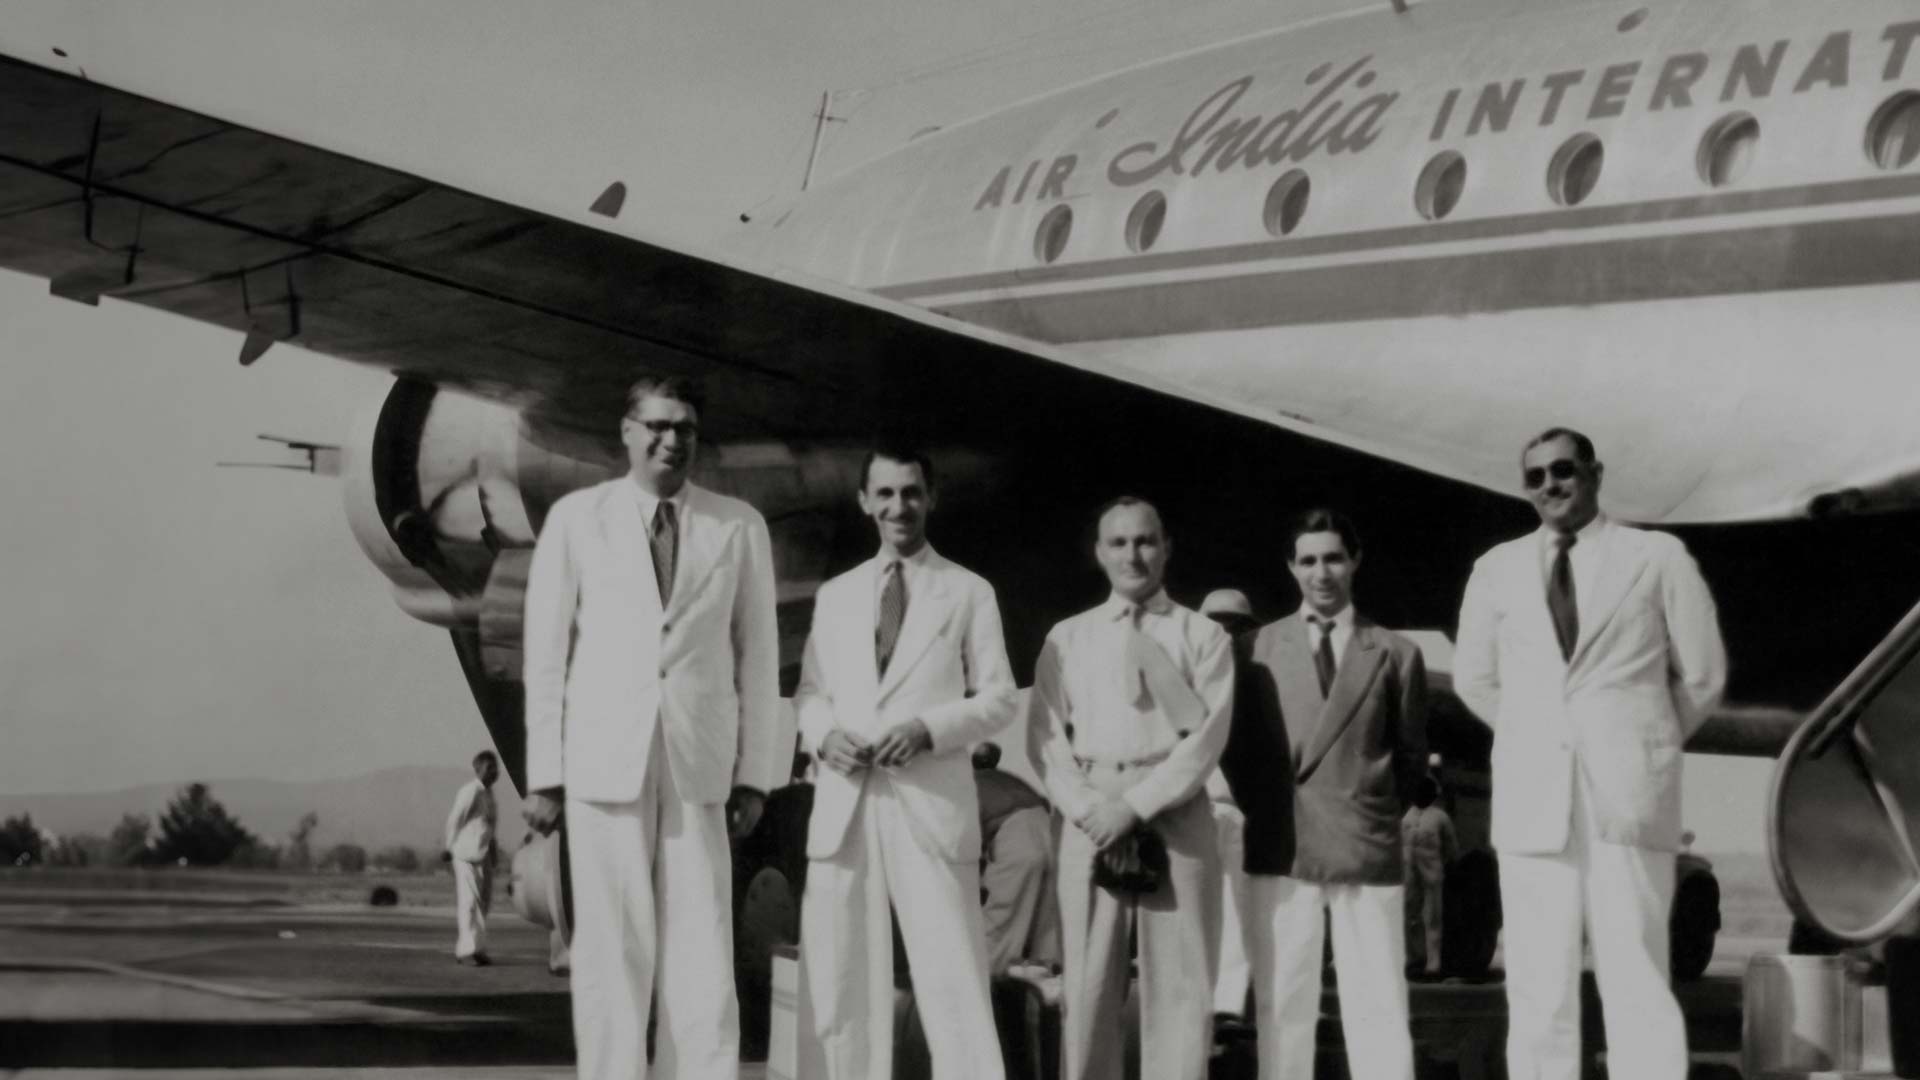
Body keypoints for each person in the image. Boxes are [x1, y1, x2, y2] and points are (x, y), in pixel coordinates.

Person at [522, 374, 786, 1080]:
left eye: (687, 430)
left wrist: (755, 774)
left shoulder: (739, 526)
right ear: (628, 432)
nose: (673, 442)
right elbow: (544, 654)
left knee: (702, 948)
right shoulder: (578, 519)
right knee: (611, 953)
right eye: (659, 427)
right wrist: (544, 772)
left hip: (698, 761)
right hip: (603, 762)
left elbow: (758, 659)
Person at [1455, 427, 1727, 1080]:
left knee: (1637, 978)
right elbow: (1474, 679)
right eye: (1535, 476)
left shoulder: (1657, 557)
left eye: (1563, 469)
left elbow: (1704, 676)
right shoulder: (1496, 569)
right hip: (1533, 805)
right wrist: (1539, 740)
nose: (1550, 484)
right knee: (1537, 987)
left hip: (1626, 801)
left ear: (1595, 473)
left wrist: (1645, 744)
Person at [795, 443, 1018, 1080]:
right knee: (841, 987)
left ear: (932, 498)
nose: (900, 507)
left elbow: (999, 697)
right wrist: (824, 734)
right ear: (865, 501)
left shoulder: (968, 591)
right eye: (886, 494)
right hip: (845, 805)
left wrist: (929, 729)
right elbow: (811, 691)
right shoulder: (835, 596)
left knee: (953, 983)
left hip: (930, 806)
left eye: (912, 493)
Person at [1027, 496, 1234, 1080]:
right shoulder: (1068, 638)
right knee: (1088, 991)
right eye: (1118, 542)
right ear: (1099, 552)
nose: (1133, 554)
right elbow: (1043, 739)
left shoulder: (1204, 636)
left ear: (1166, 547)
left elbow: (1206, 737)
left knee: (1181, 989)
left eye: (1145, 541)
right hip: (1090, 813)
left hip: (1177, 812)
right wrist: (1096, 811)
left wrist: (1137, 807)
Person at [1221, 508, 1427, 1080]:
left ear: (1355, 560)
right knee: (1282, 1004)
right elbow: (1236, 754)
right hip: (1281, 845)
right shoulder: (1253, 650)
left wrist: (1368, 804)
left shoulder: (1395, 653)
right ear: (1291, 567)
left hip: (1364, 843)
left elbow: (1410, 757)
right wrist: (1270, 808)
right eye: (1308, 559)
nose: (1322, 572)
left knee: (1379, 1003)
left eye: (1334, 557)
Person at [1199, 588, 1260, 1021]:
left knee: (1235, 905)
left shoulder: (1257, 680)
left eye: (1233, 624)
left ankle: (1227, 1001)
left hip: (1235, 806)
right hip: (1191, 803)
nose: (1224, 631)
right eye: (1217, 622)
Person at [972, 742, 1060, 974]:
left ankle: (984, 995)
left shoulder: (968, 784)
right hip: (1050, 834)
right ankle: (1044, 994)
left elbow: (965, 846)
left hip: (1017, 838)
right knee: (1045, 933)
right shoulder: (1010, 779)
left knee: (999, 928)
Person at [445, 749, 500, 966]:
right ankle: (467, 950)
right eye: (489, 768)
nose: (494, 772)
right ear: (477, 770)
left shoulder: (489, 795)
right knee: (469, 901)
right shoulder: (471, 791)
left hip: (483, 853)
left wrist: (493, 852)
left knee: (483, 902)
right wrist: (449, 847)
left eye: (496, 768)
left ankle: (477, 947)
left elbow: (490, 826)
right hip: (465, 853)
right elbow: (455, 819)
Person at [1401, 774, 1457, 977]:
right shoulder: (1407, 816)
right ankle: (1414, 958)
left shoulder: (1440, 817)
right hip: (1409, 874)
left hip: (1432, 874)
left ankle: (1434, 963)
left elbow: (1451, 847)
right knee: (1410, 916)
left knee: (1432, 918)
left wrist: (1447, 866)